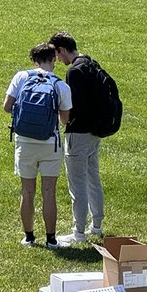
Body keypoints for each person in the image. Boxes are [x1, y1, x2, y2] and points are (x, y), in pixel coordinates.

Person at [2, 44, 72, 249]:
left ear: (34, 60)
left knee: (27, 190)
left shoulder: (21, 77)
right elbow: (64, 120)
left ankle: (29, 237)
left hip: (24, 142)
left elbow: (7, 107)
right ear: (54, 60)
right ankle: (51, 239)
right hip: (49, 143)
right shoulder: (60, 86)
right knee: (49, 191)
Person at [49, 31, 107, 243]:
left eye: (57, 55)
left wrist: (63, 119)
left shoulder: (74, 72)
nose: (57, 60)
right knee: (93, 178)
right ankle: (97, 225)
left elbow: (73, 107)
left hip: (78, 133)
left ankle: (79, 232)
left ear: (62, 50)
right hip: (94, 132)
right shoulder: (91, 63)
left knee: (77, 184)